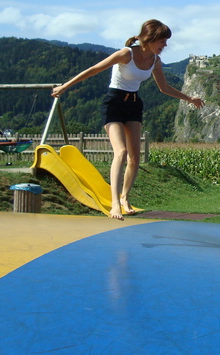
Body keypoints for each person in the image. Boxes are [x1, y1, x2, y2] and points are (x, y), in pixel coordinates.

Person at [52, 19, 204, 220]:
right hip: (114, 103)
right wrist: (65, 86)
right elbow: (95, 69)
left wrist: (189, 98)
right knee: (121, 152)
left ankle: (125, 197)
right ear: (150, 38)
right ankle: (115, 203)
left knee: (134, 157)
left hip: (133, 104)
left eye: (166, 41)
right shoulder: (127, 54)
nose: (165, 45)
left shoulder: (155, 61)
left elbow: (164, 88)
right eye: (162, 41)